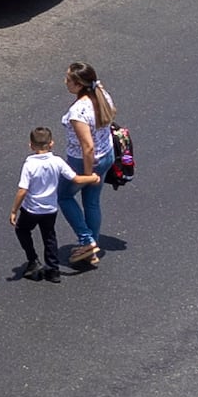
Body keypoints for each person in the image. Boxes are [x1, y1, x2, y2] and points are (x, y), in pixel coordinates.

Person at [55, 61, 122, 259]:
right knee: (92, 202)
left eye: (68, 79)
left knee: (64, 197)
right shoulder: (102, 95)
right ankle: (91, 247)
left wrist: (87, 174)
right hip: (107, 155)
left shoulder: (78, 111)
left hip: (85, 161)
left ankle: (86, 240)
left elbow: (88, 147)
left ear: (78, 85)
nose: (65, 82)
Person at [10, 125, 78, 279]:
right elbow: (74, 178)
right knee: (49, 237)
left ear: (31, 145)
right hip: (50, 209)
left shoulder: (29, 164)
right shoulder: (58, 161)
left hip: (31, 209)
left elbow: (23, 190)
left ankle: (33, 259)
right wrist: (92, 178)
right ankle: (53, 270)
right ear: (51, 143)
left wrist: (14, 210)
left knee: (22, 230)